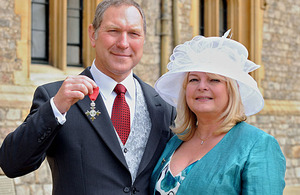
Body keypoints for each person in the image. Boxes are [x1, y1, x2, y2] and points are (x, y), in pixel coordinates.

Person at [0, 0, 175, 194]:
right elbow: (12, 164)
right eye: (113, 31)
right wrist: (55, 108)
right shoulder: (56, 98)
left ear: (143, 39)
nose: (123, 43)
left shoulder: (164, 107)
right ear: (93, 35)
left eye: (133, 33)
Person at [150, 30, 286, 194]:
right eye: (194, 79)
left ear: (232, 90)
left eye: (214, 80)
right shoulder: (176, 141)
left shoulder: (257, 145)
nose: (202, 87)